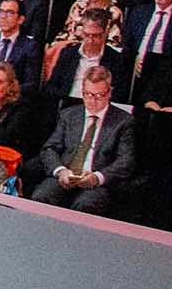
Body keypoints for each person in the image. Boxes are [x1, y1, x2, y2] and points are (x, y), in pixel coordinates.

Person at [28, 65, 136, 216]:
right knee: (40, 197)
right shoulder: (69, 115)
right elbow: (49, 148)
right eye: (88, 94)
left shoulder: (124, 121)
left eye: (99, 95)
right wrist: (60, 171)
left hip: (96, 182)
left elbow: (126, 161)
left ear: (109, 93)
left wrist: (97, 177)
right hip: (65, 175)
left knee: (85, 206)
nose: (93, 101)